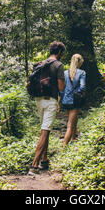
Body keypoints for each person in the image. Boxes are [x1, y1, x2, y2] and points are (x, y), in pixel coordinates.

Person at [29, 41, 66, 175]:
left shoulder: (40, 65)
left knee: (46, 129)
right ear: (60, 52)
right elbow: (61, 87)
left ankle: (44, 160)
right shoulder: (58, 65)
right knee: (45, 131)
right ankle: (34, 165)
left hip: (38, 100)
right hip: (50, 100)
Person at [61, 54, 86, 146]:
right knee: (70, 125)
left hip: (66, 100)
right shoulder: (82, 72)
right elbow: (83, 87)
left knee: (74, 120)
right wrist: (77, 92)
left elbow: (61, 88)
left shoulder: (65, 73)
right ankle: (64, 145)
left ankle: (73, 139)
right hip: (75, 100)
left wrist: (64, 97)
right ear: (79, 62)